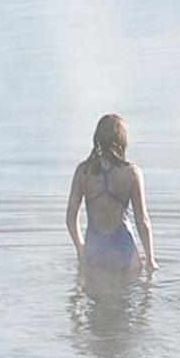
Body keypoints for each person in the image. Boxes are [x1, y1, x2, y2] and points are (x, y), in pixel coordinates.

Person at [67, 113, 155, 273]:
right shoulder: (131, 173)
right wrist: (150, 259)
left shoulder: (83, 172)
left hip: (94, 250)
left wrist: (80, 248)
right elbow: (143, 220)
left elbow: (70, 217)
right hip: (123, 250)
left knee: (94, 296)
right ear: (122, 140)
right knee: (127, 294)